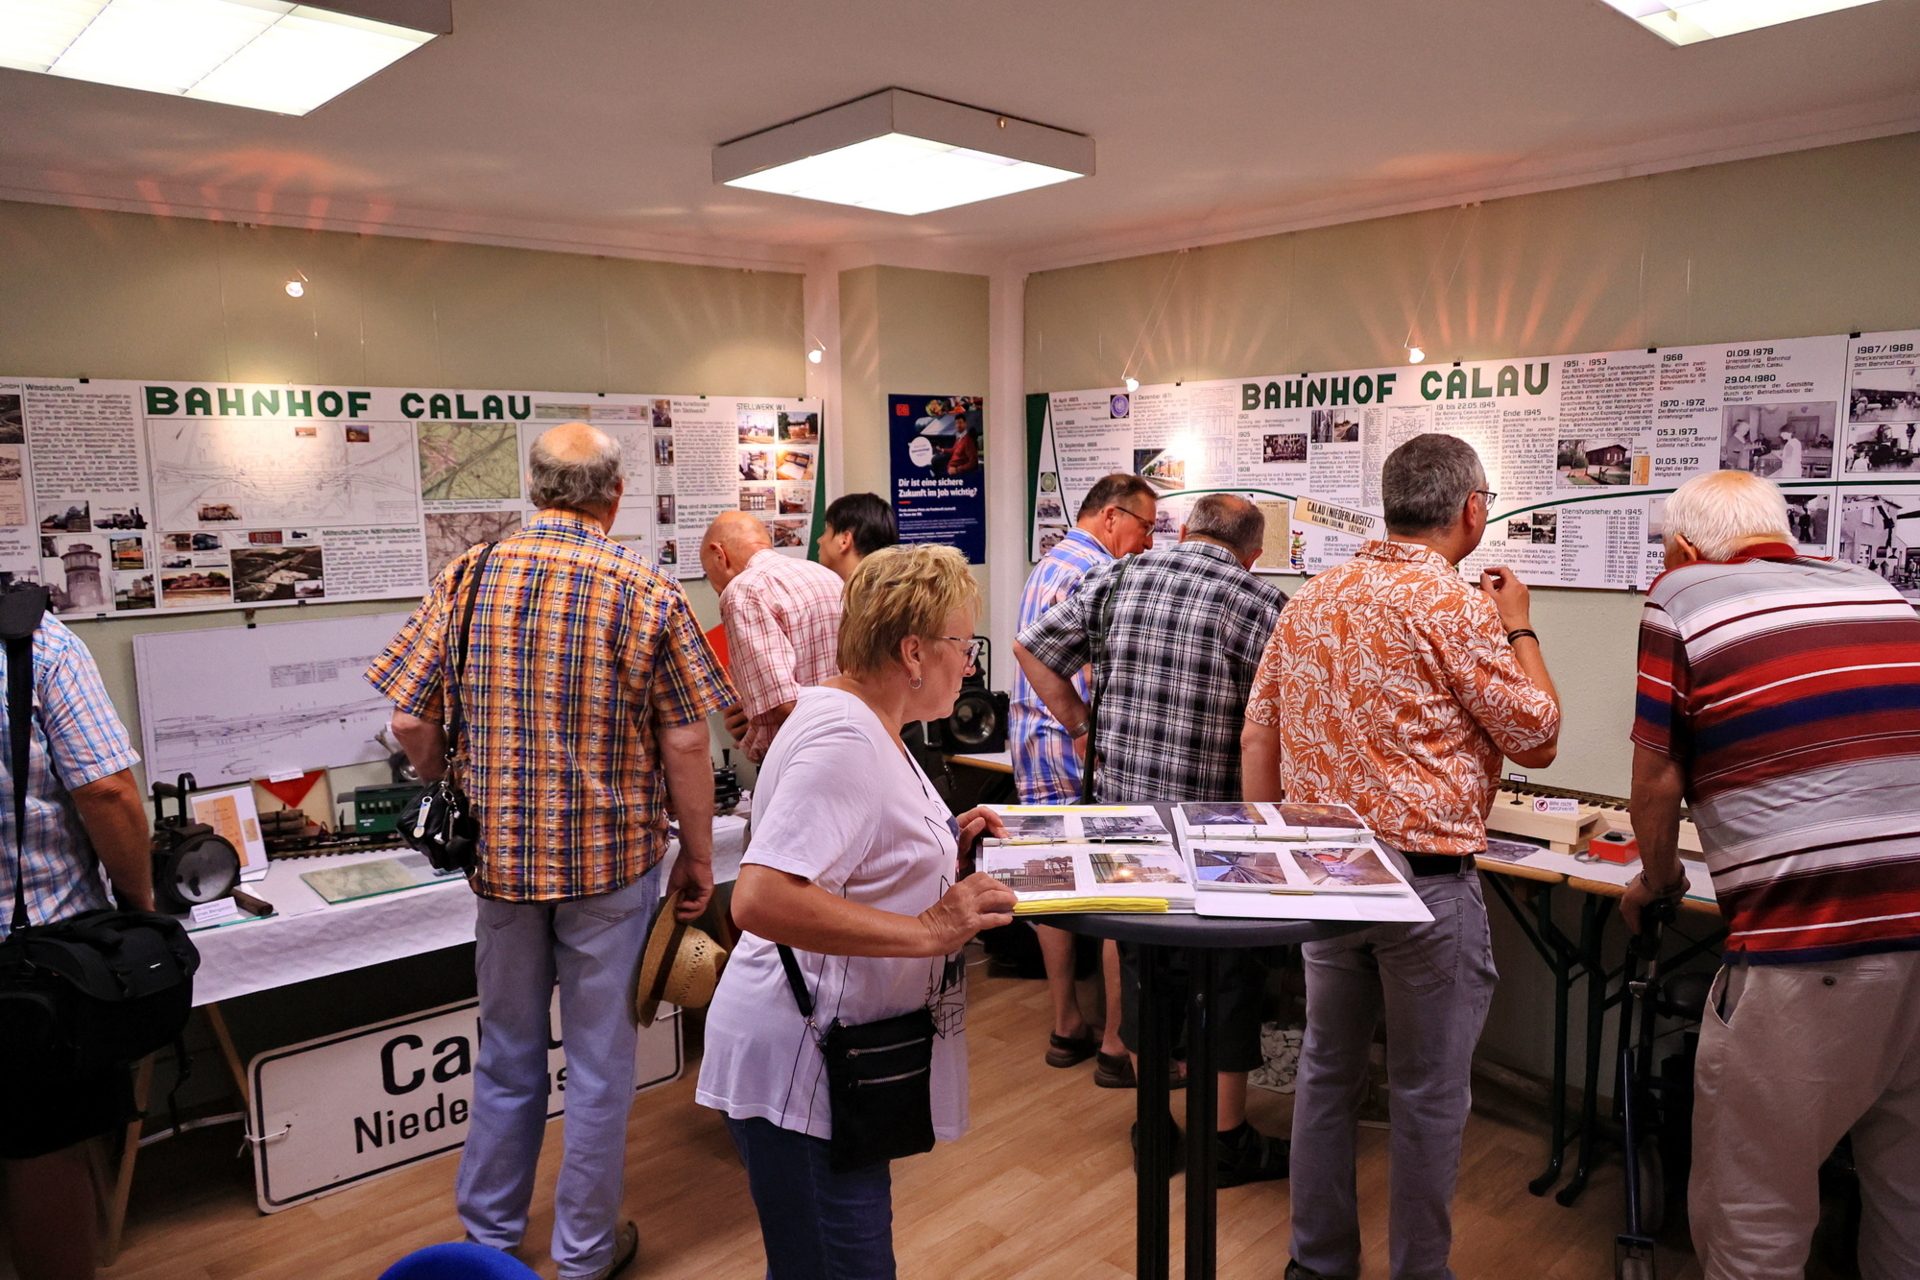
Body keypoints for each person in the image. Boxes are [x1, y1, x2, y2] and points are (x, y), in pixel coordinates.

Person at [370, 423, 734, 1280]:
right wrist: (699, 856)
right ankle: (582, 1255)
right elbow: (686, 742)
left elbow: (409, 721)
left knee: (504, 1054)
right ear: (613, 497)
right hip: (611, 865)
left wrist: (450, 780)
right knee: (603, 1070)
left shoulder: (465, 576)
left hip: (498, 867)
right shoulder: (647, 589)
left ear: (534, 491)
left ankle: (487, 1242)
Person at [1242, 433, 1560, 1280]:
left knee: (1325, 1075)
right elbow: (1539, 735)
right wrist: (1519, 624)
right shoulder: (1455, 605)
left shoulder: (1312, 597)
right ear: (1470, 508)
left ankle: (1317, 1264)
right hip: (1422, 886)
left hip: (1323, 872)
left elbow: (1260, 730)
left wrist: (1272, 846)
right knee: (1426, 1096)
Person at [1623, 470, 1920, 1280]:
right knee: (1907, 1195)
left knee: (1756, 1202)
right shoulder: (1876, 590)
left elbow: (1656, 783)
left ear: (1684, 546)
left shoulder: (1681, 593)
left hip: (1811, 944)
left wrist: (1655, 881)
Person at [696, 543, 1017, 1279]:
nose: (968, 666)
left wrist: (949, 846)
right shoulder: (844, 736)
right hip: (799, 1062)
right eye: (961, 646)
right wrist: (932, 929)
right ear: (913, 650)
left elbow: (858, 856)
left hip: (826, 1055)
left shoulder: (866, 721)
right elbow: (762, 897)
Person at [1015, 493, 1291, 1185]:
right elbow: (1272, 725)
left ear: (1186, 531)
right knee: (1226, 980)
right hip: (1216, 830)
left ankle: (1153, 1130)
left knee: (1143, 972)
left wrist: (1081, 724)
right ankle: (1224, 1140)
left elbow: (1031, 648)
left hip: (1123, 820)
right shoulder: (1263, 604)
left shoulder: (1118, 577)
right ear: (1251, 552)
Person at [0, 611, 151, 1280]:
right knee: (43, 1148)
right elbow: (106, 789)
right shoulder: (35, 640)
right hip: (29, 963)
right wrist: (141, 906)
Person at [1010, 473, 1158, 1080]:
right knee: (1119, 888)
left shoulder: (1047, 563)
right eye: (1146, 527)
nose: (1149, 542)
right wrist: (1081, 725)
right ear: (1113, 517)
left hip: (1028, 746)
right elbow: (1097, 676)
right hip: (1075, 751)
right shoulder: (1098, 574)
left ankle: (1066, 1024)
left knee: (1050, 889)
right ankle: (1118, 1046)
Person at [700, 511, 845, 763]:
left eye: (713, 580)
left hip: (801, 760)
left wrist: (755, 732)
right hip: (851, 743)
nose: (718, 591)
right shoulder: (828, 577)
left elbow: (785, 706)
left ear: (718, 554)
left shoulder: (742, 591)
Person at [816, 492, 898, 581]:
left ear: (844, 540)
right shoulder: (888, 590)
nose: (819, 540)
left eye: (827, 530)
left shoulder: (849, 594)